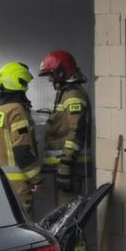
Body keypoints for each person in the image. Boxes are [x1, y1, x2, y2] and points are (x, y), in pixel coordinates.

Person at [0, 62, 43, 214]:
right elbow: (21, 149)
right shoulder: (16, 110)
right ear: (19, 82)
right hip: (19, 181)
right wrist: (36, 179)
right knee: (23, 226)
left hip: (1, 179)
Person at [38, 51, 91, 208]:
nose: (50, 79)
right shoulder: (66, 93)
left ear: (62, 72)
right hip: (66, 167)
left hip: (70, 167)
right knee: (64, 212)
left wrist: (65, 165)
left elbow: (75, 132)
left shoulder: (73, 95)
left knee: (66, 214)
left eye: (52, 75)